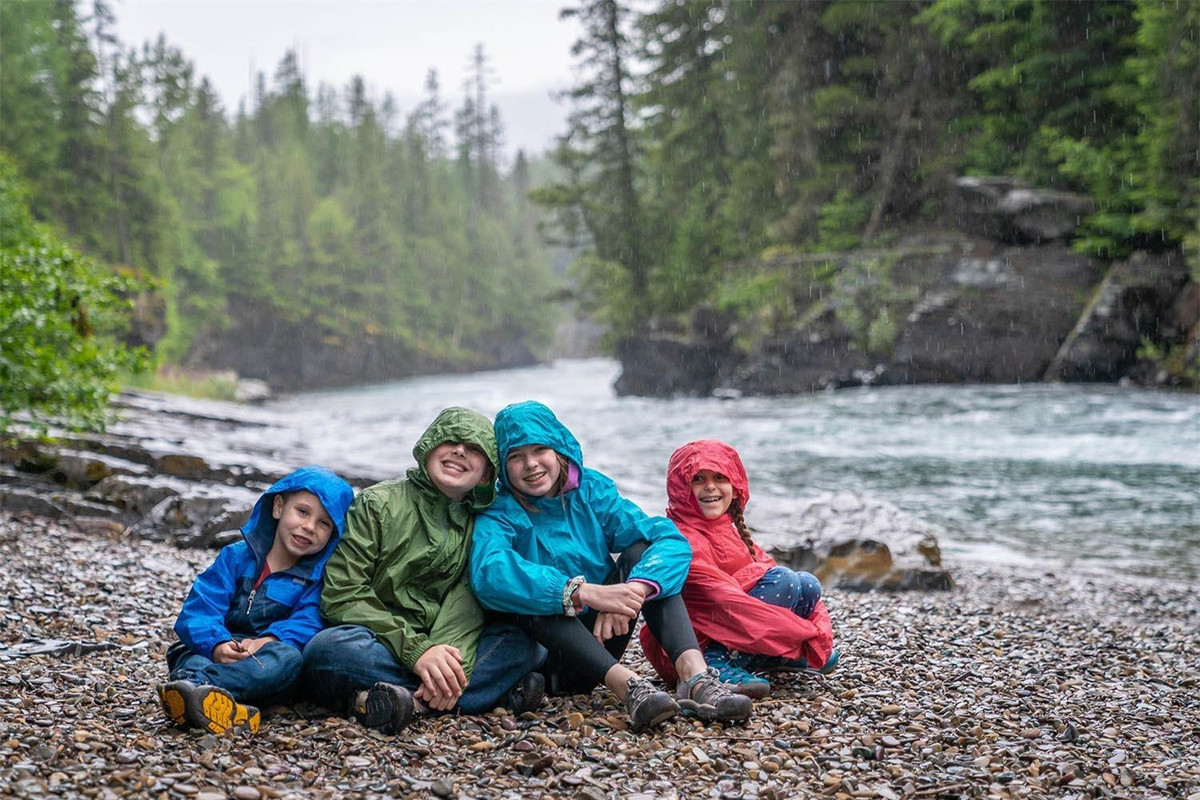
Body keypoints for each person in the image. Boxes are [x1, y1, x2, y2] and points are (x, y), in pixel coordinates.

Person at [469, 401, 752, 733]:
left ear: (558, 448)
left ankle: (695, 676)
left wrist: (633, 591)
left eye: (540, 449)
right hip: (550, 659)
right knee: (534, 595)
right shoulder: (498, 511)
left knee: (640, 551)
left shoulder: (591, 491)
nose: (530, 464)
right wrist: (581, 593)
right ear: (503, 465)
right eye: (516, 456)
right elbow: (489, 572)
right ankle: (628, 687)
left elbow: (669, 539)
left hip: (603, 639)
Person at [302, 407, 546, 734]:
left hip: (447, 645)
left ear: (487, 474)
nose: (460, 451)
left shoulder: (484, 525)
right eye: (450, 441)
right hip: (381, 640)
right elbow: (342, 595)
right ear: (428, 447)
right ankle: (475, 695)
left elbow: (466, 604)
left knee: (527, 644)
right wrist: (418, 651)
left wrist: (442, 660)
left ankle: (407, 702)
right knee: (326, 650)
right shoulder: (378, 503)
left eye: (474, 449)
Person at [158, 465, 355, 735]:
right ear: (277, 507)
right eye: (302, 512)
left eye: (324, 523)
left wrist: (270, 640)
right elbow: (201, 606)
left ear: (333, 535)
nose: (309, 527)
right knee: (188, 654)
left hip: (263, 660)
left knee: (288, 662)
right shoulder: (235, 557)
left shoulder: (316, 578)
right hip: (217, 647)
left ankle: (198, 695)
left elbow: (309, 620)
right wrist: (217, 644)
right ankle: (207, 696)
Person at [640, 440, 837, 699]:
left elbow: (764, 572)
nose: (710, 486)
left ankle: (765, 656)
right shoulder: (679, 536)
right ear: (681, 488)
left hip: (730, 622)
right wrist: (806, 635)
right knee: (785, 582)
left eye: (720, 477)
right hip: (690, 648)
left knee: (808, 584)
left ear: (735, 486)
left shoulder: (731, 531)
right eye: (698, 478)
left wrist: (803, 636)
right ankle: (716, 662)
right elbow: (717, 598)